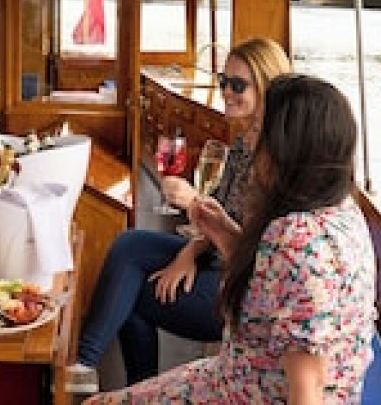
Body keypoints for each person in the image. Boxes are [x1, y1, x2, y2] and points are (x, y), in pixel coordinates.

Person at [86, 74, 377, 404]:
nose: (252, 145)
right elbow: (278, 290)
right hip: (238, 376)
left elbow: (308, 389)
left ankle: (82, 366)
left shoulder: (298, 240)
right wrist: (225, 235)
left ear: (286, 149)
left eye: (261, 132)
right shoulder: (344, 211)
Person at [67, 37, 291, 393]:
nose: (226, 92)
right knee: (129, 244)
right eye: (223, 81)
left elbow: (255, 248)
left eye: (238, 85)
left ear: (267, 87)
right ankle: (87, 368)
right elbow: (219, 214)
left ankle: (107, 377)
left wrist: (194, 203)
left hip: (243, 285)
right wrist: (187, 254)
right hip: (217, 257)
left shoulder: (276, 157)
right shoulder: (242, 144)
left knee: (133, 294)